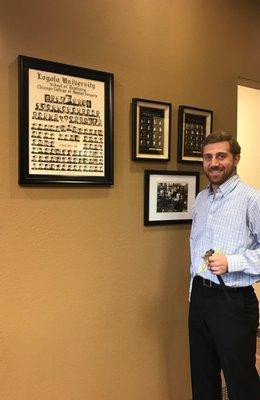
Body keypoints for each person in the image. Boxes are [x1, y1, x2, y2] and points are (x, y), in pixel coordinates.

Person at [189, 131, 260, 400]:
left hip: (233, 302)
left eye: (221, 156)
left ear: (236, 159)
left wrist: (233, 262)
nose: (214, 163)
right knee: (202, 375)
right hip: (201, 297)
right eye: (208, 157)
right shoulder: (201, 199)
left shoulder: (252, 200)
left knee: (240, 379)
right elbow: (195, 248)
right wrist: (192, 291)